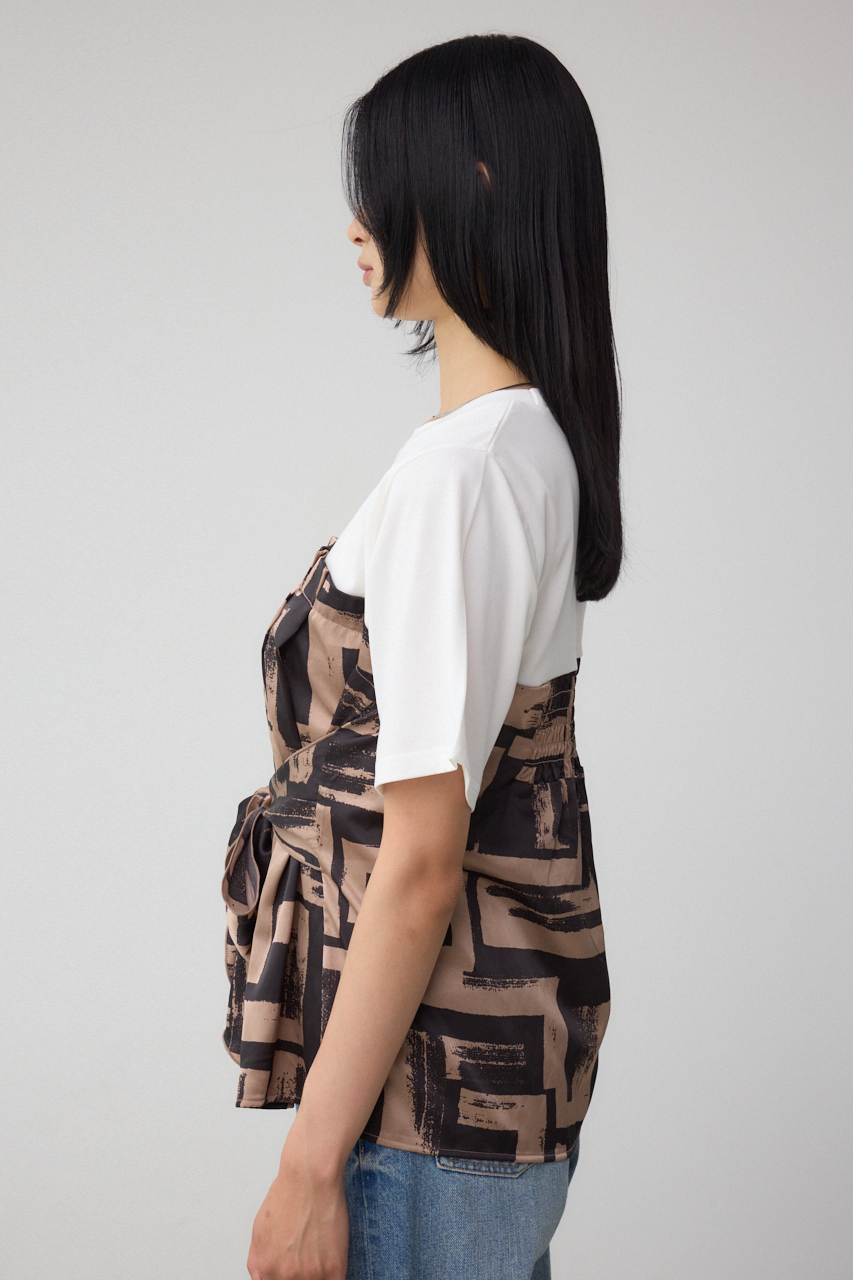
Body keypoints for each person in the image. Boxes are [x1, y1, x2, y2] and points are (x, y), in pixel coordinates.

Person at [221, 32, 622, 1280]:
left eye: (382, 186)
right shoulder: (525, 444)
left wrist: (306, 1171)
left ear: (477, 184)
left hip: (427, 1105)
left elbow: (420, 864)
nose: (357, 226)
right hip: (475, 1087)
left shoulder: (467, 473)